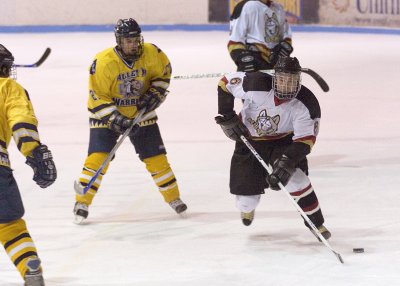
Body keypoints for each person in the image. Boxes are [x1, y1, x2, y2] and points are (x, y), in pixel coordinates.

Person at [73, 18, 187, 223]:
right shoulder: (104, 62)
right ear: (119, 41)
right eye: (128, 40)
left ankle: (173, 197)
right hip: (106, 116)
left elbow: (163, 73)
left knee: (156, 158)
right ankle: (82, 202)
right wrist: (116, 119)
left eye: (135, 39)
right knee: (97, 159)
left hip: (140, 113)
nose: (133, 44)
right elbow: (97, 96)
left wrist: (156, 92)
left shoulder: (152, 53)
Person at [215, 56, 331, 240]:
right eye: (283, 79)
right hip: (250, 141)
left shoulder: (306, 103)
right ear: (275, 77)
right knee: (246, 202)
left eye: (292, 80)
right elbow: (225, 83)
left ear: (299, 81)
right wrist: (227, 115)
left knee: (297, 179)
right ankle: (248, 207)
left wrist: (287, 163)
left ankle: (316, 223)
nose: (286, 85)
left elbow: (305, 140)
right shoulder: (255, 83)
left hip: (282, 143)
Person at [0, 44, 57, 286]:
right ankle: (30, 266)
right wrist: (34, 153)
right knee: (9, 223)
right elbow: (21, 122)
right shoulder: (8, 87)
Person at [228, 0, 293, 72]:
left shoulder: (279, 8)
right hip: (254, 62)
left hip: (276, 63)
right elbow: (234, 41)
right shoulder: (246, 6)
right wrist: (243, 58)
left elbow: (286, 36)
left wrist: (284, 47)